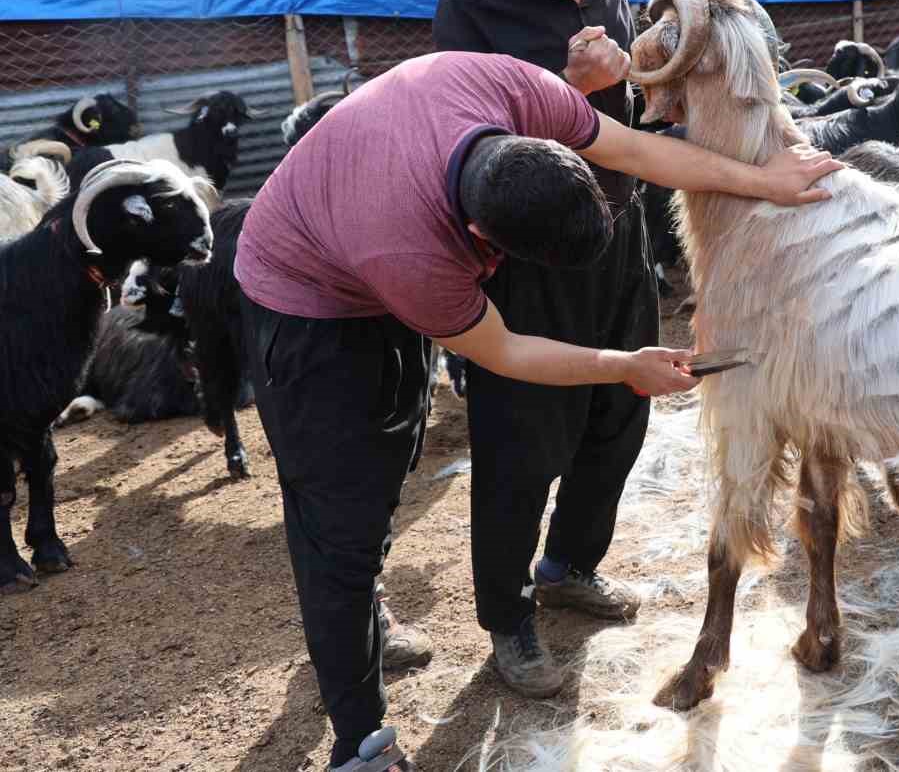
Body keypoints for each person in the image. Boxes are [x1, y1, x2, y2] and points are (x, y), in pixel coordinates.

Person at [234, 47, 839, 772]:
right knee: (338, 515)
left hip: (364, 241)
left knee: (390, 464)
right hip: (307, 307)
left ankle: (364, 608)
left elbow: (634, 147)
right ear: (483, 243)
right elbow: (509, 352)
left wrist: (762, 180)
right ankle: (360, 743)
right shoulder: (414, 256)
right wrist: (625, 367)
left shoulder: (510, 85)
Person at [431, 0, 671, 698]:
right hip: (530, 257)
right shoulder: (471, 3)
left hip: (620, 233)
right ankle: (507, 620)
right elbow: (464, 129)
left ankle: (569, 565)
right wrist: (565, 82)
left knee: (620, 414)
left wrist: (629, 79)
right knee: (521, 441)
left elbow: (634, 99)